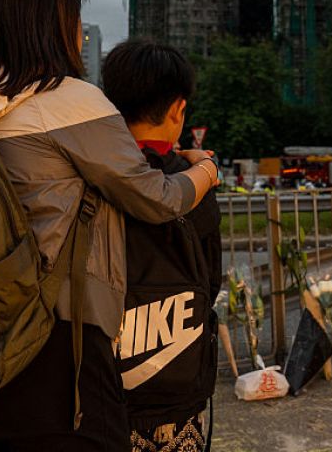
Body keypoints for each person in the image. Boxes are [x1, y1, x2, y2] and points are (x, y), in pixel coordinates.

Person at [0, 0, 220, 452]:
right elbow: (156, 198)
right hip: (61, 334)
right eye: (72, 17)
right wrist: (206, 170)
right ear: (54, 25)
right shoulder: (71, 100)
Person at [101, 40, 222, 452]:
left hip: (106, 391)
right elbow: (212, 279)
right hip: (178, 387)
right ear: (177, 110)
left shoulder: (93, 177)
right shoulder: (196, 183)